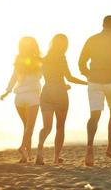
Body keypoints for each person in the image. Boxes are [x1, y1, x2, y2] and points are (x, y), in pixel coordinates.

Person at [79, 15, 111, 166]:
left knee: (94, 116)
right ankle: (109, 147)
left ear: (102, 25)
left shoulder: (92, 39)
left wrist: (88, 74)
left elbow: (81, 62)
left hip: (94, 81)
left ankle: (89, 147)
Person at [35, 34, 87, 165]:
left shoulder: (45, 59)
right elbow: (69, 77)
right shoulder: (61, 58)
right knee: (60, 127)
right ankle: (56, 158)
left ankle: (39, 152)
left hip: (46, 92)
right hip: (59, 94)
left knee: (46, 127)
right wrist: (86, 83)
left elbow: (49, 76)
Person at [0, 37, 42, 163]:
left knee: (26, 127)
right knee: (30, 127)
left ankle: (26, 156)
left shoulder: (18, 61)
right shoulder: (39, 61)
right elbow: (46, 75)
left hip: (19, 98)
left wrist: (7, 92)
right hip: (32, 96)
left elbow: (13, 78)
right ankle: (22, 147)